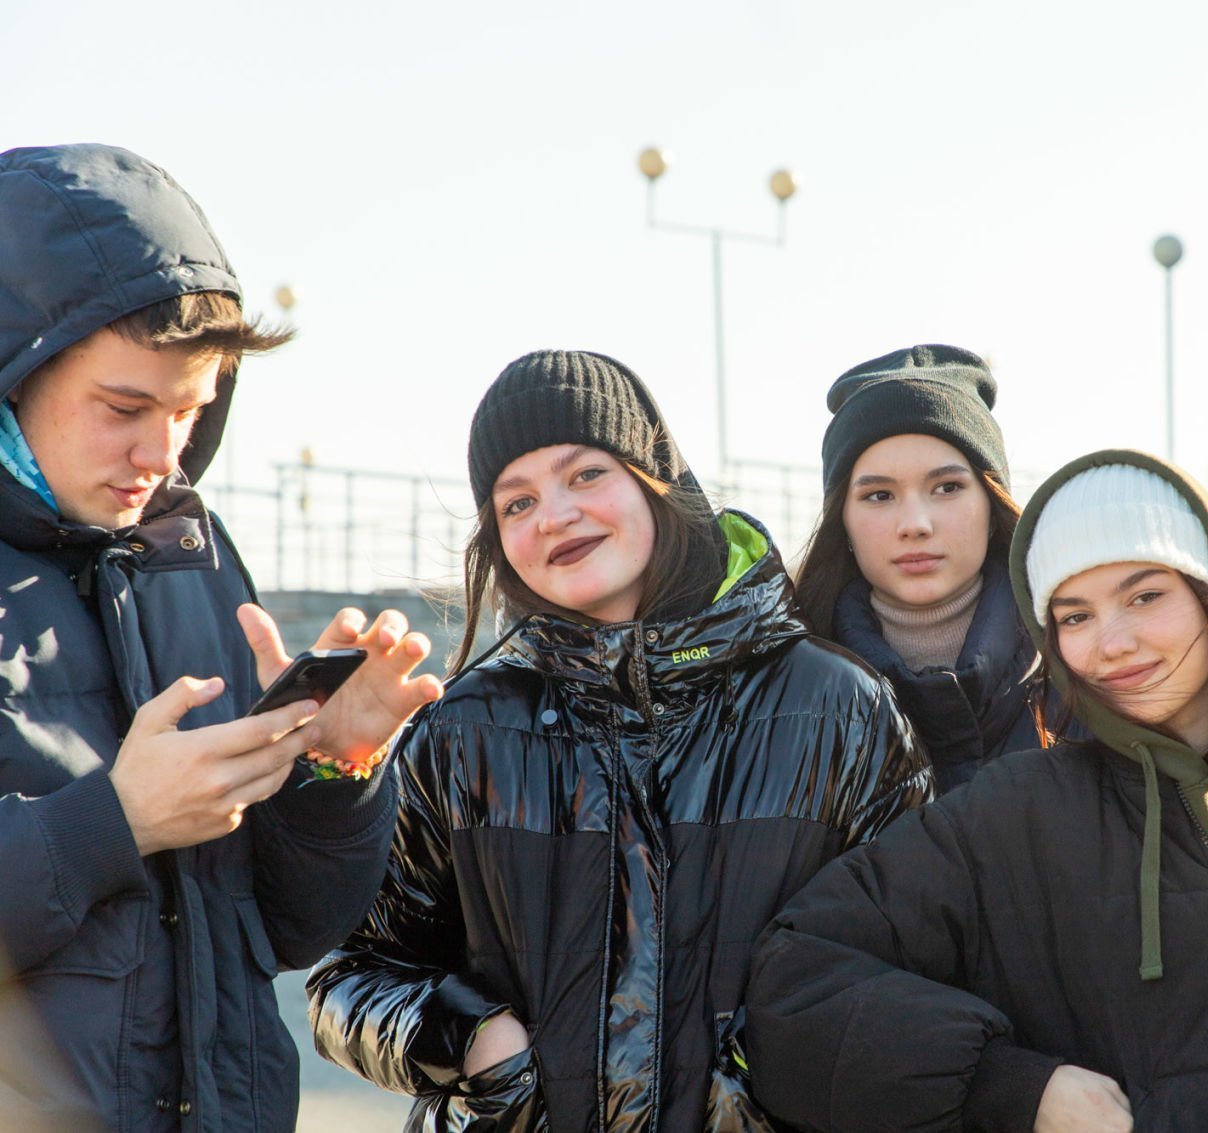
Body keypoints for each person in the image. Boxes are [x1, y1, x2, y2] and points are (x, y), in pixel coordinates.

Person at [307, 349, 931, 1130]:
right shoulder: (465, 729)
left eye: (586, 474)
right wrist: (476, 1041)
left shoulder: (833, 708)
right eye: (517, 502)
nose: (554, 514)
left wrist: (759, 1077)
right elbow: (352, 974)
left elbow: (909, 967)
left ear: (655, 480)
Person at [0, 143, 443, 1132]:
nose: (161, 454)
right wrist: (114, 823)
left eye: (191, 410)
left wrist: (330, 773)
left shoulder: (191, 555)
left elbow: (286, 928)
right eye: (124, 408)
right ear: (13, 372)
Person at [747, 448, 1208, 1132]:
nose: (1113, 641)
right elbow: (794, 981)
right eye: (1075, 617)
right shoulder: (1014, 815)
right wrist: (1009, 1086)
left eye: (1145, 596)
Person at [792, 344, 1045, 792]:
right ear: (841, 520)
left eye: (947, 487)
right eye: (879, 496)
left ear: (992, 505)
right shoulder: (788, 694)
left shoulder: (1084, 675)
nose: (915, 524)